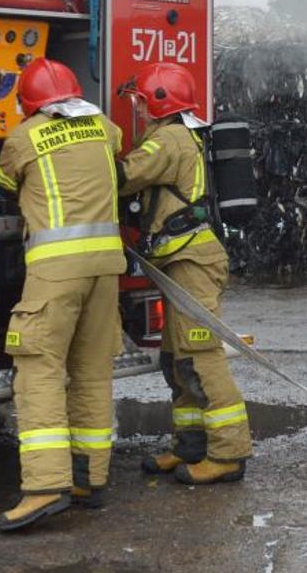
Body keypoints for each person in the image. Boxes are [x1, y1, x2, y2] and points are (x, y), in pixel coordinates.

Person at [0, 58, 127, 531]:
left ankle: (45, 486)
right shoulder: (104, 126)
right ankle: (89, 478)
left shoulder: (24, 137)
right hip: (106, 269)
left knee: (39, 371)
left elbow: (0, 188)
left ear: (29, 102)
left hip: (55, 273)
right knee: (91, 371)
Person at [116, 62, 252, 485]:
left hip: (192, 263)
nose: (136, 109)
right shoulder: (180, 134)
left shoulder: (168, 139)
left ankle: (229, 454)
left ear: (157, 102)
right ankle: (191, 446)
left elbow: (122, 177)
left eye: (139, 101)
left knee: (202, 358)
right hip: (181, 261)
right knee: (177, 361)